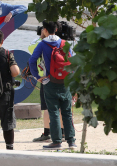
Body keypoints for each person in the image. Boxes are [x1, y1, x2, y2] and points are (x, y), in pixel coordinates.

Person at [28, 21, 77, 149]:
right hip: (65, 82)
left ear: (44, 30)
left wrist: (38, 77)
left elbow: (32, 61)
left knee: (53, 112)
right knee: (66, 112)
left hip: (49, 81)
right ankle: (71, 141)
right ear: (56, 29)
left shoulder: (42, 44)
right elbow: (72, 62)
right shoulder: (65, 43)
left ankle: (56, 142)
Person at [28, 34, 65, 142]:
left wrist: (36, 76)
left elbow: (31, 51)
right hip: (62, 77)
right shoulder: (63, 43)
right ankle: (64, 133)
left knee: (47, 108)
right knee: (63, 107)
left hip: (46, 79)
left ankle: (47, 133)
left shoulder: (42, 44)